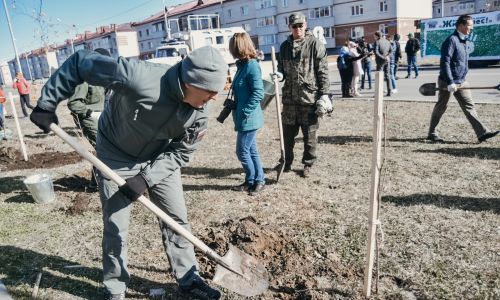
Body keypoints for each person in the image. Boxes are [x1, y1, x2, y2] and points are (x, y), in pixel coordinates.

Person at [30, 46, 228, 300]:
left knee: (176, 220)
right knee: (116, 227)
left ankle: (189, 279)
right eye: (210, 91)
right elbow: (81, 62)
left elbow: (182, 152)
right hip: (115, 156)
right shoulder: (139, 76)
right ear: (191, 81)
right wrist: (47, 103)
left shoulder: (199, 111)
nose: (213, 98)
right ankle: (115, 289)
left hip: (160, 157)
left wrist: (146, 179)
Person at [427, 14, 499, 143]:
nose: (471, 29)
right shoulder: (451, 40)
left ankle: (482, 133)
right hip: (448, 81)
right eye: (469, 26)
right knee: (441, 106)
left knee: (469, 106)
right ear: (461, 25)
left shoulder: (463, 40)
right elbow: (445, 62)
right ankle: (432, 133)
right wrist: (450, 81)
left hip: (462, 81)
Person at [275, 12, 330, 178]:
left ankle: (308, 164)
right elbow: (281, 69)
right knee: (287, 136)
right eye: (294, 26)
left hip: (309, 99)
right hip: (290, 100)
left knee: (310, 137)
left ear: (305, 25)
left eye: (300, 25)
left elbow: (323, 72)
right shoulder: (284, 47)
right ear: (289, 27)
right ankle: (286, 161)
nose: (298, 29)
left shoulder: (315, 44)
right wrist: (279, 75)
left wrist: (324, 94)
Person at [228, 32, 266, 195]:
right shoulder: (242, 65)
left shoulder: (251, 65)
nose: (230, 50)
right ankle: (255, 181)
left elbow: (259, 92)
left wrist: (244, 110)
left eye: (232, 47)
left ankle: (256, 180)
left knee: (242, 151)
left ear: (239, 47)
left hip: (249, 117)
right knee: (251, 150)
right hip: (243, 117)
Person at [67, 48, 111, 189]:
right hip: (87, 117)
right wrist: (91, 113)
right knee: (104, 147)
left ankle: (95, 182)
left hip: (102, 115)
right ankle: (99, 183)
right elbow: (73, 103)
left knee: (105, 147)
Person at [373, 31, 392, 97]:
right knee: (387, 76)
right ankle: (389, 91)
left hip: (380, 61)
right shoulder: (387, 41)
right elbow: (391, 51)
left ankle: (378, 93)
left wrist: (383, 57)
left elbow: (376, 52)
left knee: (379, 77)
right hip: (386, 60)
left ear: (376, 36)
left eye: (374, 36)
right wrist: (387, 56)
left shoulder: (377, 42)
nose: (374, 37)